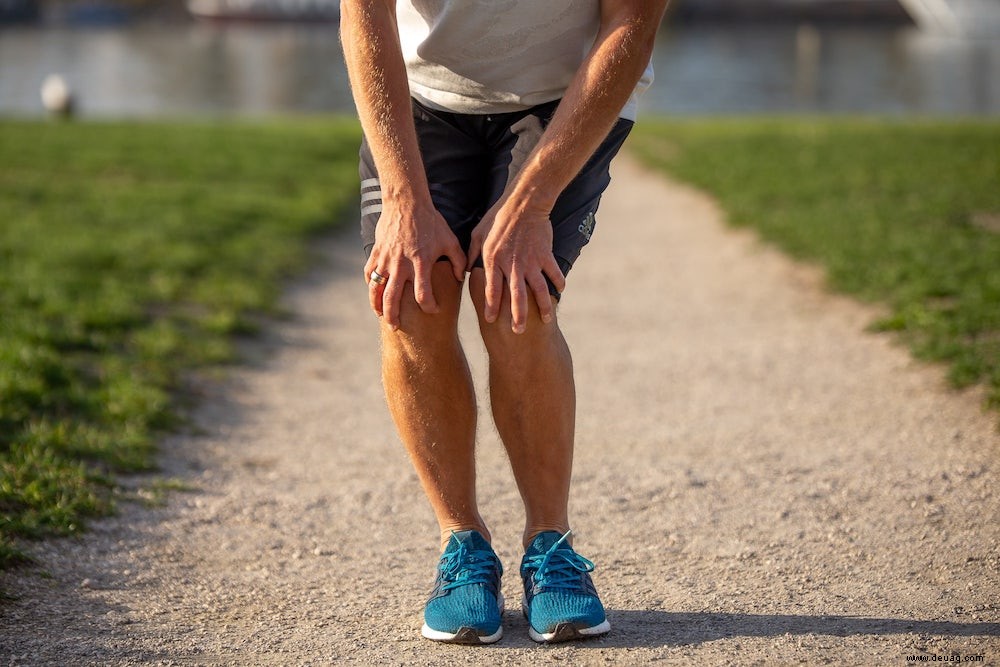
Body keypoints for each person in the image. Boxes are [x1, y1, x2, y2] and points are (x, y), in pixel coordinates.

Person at [340, 0, 669, 645]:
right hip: (423, 94)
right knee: (411, 294)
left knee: (513, 292)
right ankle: (462, 545)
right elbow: (364, 18)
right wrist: (405, 199)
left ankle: (552, 548)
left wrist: (531, 204)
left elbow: (632, 24)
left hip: (561, 97)